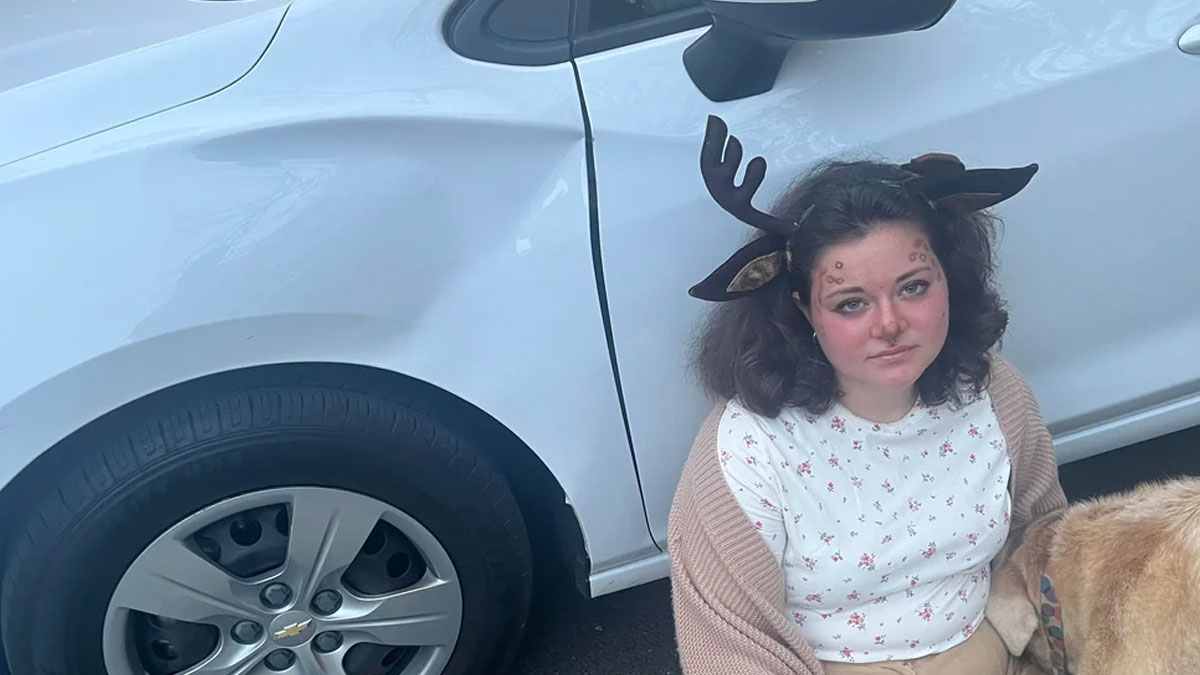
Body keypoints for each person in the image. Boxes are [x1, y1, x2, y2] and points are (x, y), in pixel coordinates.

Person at [668, 115, 1068, 675]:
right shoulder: (745, 450)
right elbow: (732, 648)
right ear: (804, 309)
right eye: (851, 303)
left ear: (948, 279)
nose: (889, 325)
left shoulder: (995, 393)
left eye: (913, 287)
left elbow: (1043, 542)